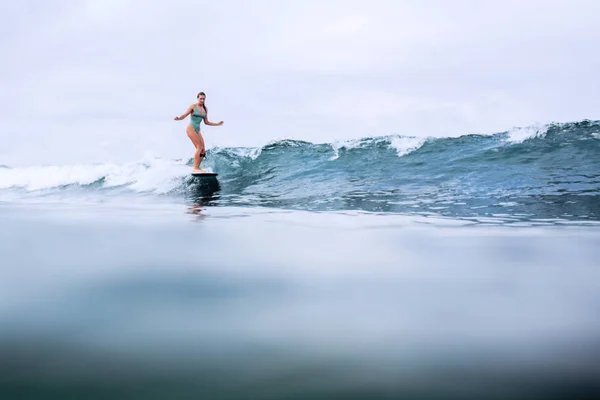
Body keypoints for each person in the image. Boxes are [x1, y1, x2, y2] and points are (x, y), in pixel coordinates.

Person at [174, 92, 224, 172]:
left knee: (203, 150)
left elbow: (206, 122)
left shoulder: (205, 109)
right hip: (191, 128)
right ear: (197, 98)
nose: (202, 100)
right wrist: (179, 118)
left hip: (197, 130)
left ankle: (198, 167)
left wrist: (217, 124)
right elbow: (184, 115)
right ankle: (195, 168)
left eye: (203, 99)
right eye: (201, 98)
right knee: (199, 147)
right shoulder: (193, 106)